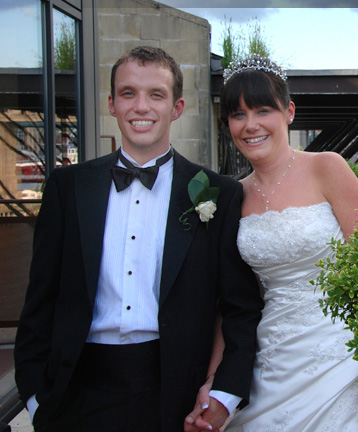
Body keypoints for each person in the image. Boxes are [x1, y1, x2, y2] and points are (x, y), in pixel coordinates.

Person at [187, 56, 358, 432]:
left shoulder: (328, 167)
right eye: (238, 115)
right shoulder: (231, 197)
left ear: (288, 112)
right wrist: (214, 381)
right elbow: (232, 303)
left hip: (348, 350)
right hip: (274, 356)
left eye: (263, 110)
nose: (251, 125)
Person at [14, 46, 264, 432]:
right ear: (112, 104)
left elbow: (240, 308)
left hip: (176, 393)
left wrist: (225, 395)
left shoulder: (218, 193)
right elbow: (40, 300)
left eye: (156, 95)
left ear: (177, 108)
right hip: (76, 392)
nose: (141, 107)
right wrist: (35, 399)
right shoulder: (67, 187)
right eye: (128, 93)